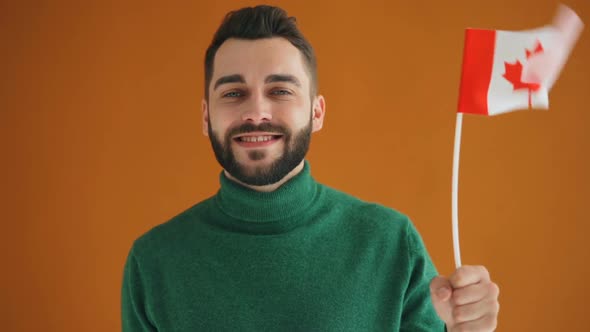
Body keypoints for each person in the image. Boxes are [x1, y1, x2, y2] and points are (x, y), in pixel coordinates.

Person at [121, 5, 499, 331]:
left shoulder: (390, 243)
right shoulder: (153, 262)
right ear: (206, 116)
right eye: (233, 93)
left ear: (316, 112)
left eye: (280, 91)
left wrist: (461, 326)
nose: (256, 112)